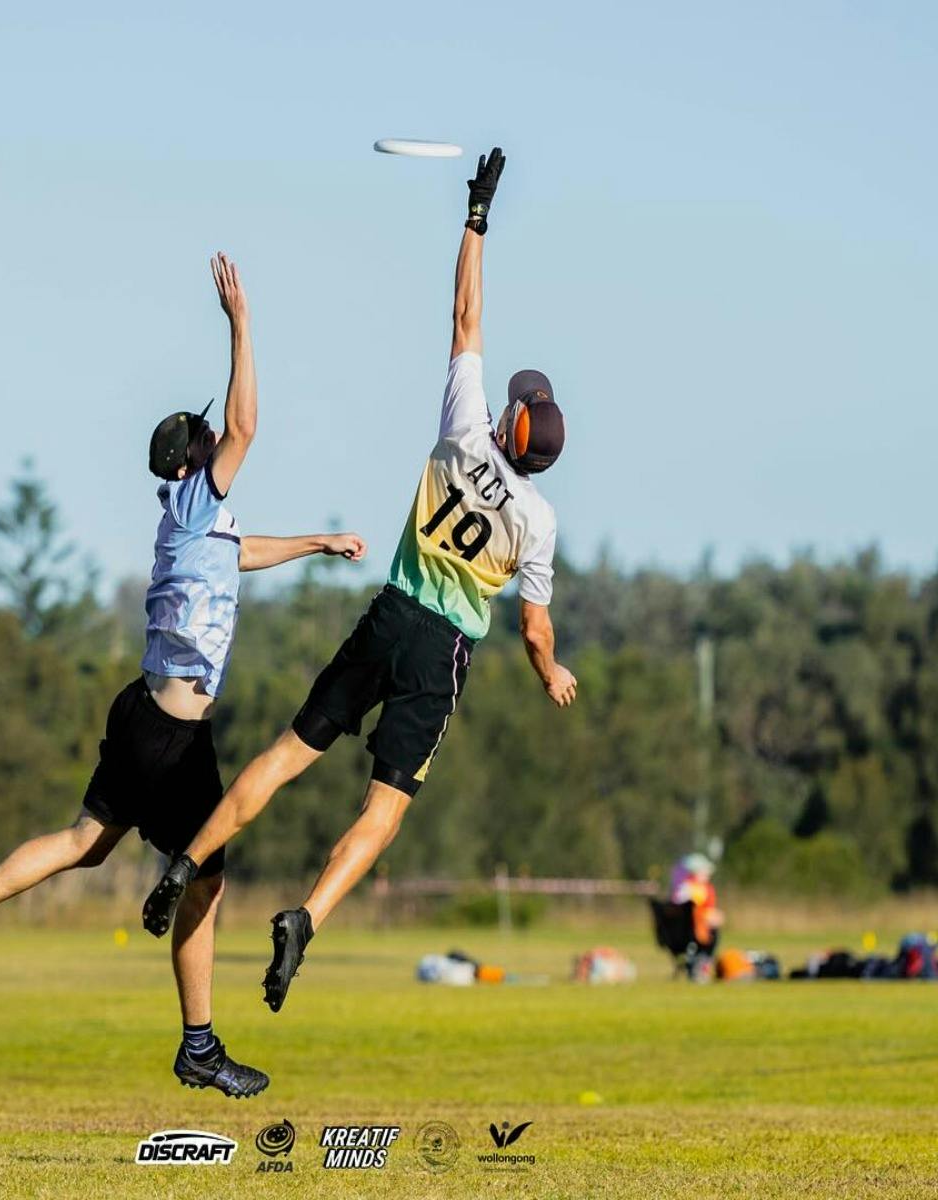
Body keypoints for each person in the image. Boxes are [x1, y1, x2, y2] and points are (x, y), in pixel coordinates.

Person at [0, 253, 366, 1098]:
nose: (221, 449)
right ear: (195, 460)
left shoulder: (192, 519)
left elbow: (241, 553)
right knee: (208, 871)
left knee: (87, 845)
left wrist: (316, 542)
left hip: (144, 715)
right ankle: (197, 1039)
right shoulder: (198, 494)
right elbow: (247, 428)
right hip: (172, 736)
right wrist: (242, 326)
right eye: (211, 447)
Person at [141, 148, 576, 1014]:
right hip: (442, 651)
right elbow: (534, 630)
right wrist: (550, 672)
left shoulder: (460, 428)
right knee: (385, 809)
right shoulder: (540, 522)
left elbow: (464, 312)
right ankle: (306, 917)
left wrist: (478, 215)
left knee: (287, 754)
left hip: (388, 615)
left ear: (505, 420)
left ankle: (186, 859)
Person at [670, 852, 724, 978]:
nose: (708, 874)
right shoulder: (698, 889)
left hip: (680, 932)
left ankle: (700, 965)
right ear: (696, 872)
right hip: (694, 932)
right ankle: (702, 965)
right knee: (713, 933)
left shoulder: (682, 887)